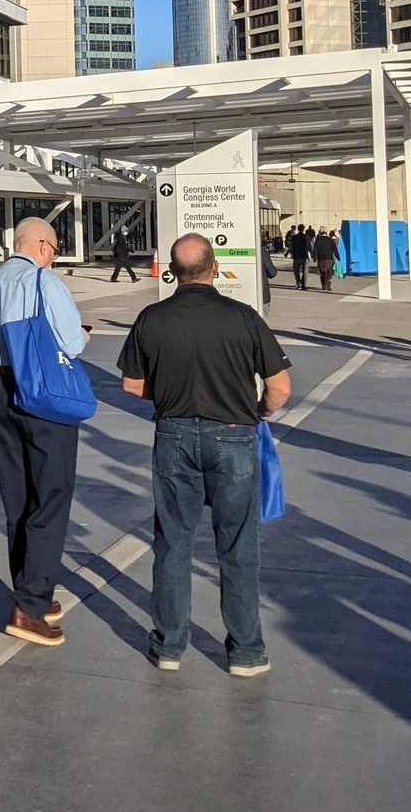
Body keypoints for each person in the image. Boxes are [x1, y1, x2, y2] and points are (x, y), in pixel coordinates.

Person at [119, 234, 292, 676]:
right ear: (214, 267)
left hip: (173, 434)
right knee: (236, 544)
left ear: (172, 272)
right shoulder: (243, 318)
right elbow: (279, 386)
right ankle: (245, 652)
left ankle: (169, 646)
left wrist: (172, 394)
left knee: (173, 541)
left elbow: (132, 385)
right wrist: (257, 413)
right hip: (234, 434)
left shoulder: (152, 318)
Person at [0, 216, 88, 646]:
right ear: (40, 245)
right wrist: (82, 338)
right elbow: (71, 343)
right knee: (52, 494)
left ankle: (29, 587)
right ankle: (30, 605)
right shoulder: (43, 280)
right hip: (39, 391)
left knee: (16, 496)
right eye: (54, 249)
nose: (53, 257)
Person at [313, 228, 339, 292]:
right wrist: (338, 257)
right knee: (329, 273)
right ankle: (329, 286)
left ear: (320, 232)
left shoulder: (318, 240)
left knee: (322, 272)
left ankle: (323, 285)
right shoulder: (330, 240)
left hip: (321, 258)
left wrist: (314, 257)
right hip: (329, 259)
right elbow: (335, 249)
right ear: (326, 232)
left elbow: (315, 250)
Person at [288, 226, 312, 291]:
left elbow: (290, 247)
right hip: (304, 256)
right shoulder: (307, 237)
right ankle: (304, 285)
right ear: (304, 229)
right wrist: (311, 254)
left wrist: (292, 254)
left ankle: (298, 282)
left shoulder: (293, 237)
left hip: (296, 256)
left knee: (296, 270)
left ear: (298, 229)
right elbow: (310, 247)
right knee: (305, 271)